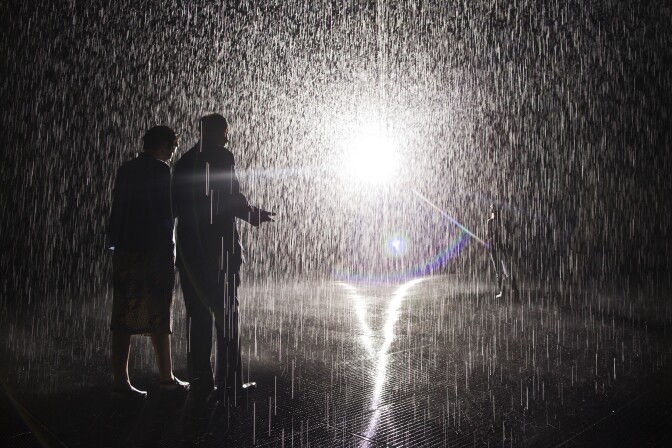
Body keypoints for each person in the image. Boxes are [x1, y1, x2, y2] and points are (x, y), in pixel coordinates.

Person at [172, 113, 274, 403]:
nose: (228, 137)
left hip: (190, 253)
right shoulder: (221, 155)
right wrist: (254, 214)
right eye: (226, 132)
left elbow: (177, 206)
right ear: (220, 132)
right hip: (219, 251)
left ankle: (200, 381)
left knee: (197, 317)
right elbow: (230, 197)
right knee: (227, 316)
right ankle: (229, 384)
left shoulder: (183, 161)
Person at [106, 125, 189, 398]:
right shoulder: (161, 171)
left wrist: (112, 243)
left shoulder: (126, 169)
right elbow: (168, 213)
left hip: (126, 250)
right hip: (154, 251)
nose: (173, 153)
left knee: (122, 315)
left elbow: (117, 208)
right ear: (164, 145)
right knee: (159, 313)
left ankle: (121, 381)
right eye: (172, 148)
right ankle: (166, 377)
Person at [487, 203, 517, 298]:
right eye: (494, 211)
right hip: (496, 248)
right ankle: (504, 290)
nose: (495, 212)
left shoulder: (503, 222)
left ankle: (512, 288)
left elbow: (510, 233)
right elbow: (489, 236)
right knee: (500, 270)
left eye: (496, 211)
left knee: (506, 269)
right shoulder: (491, 222)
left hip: (502, 247)